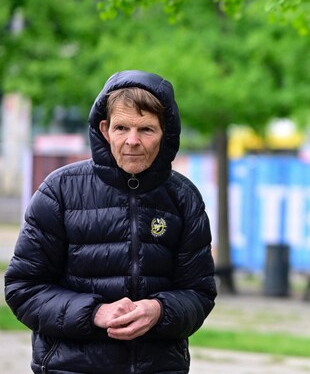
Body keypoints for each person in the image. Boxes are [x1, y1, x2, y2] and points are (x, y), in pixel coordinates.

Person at [4, 70, 217, 373]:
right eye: (121, 128)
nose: (132, 141)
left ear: (165, 133)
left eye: (146, 129)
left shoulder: (184, 198)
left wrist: (160, 310)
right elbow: (23, 288)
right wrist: (95, 313)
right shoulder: (59, 191)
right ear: (104, 129)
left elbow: (199, 292)